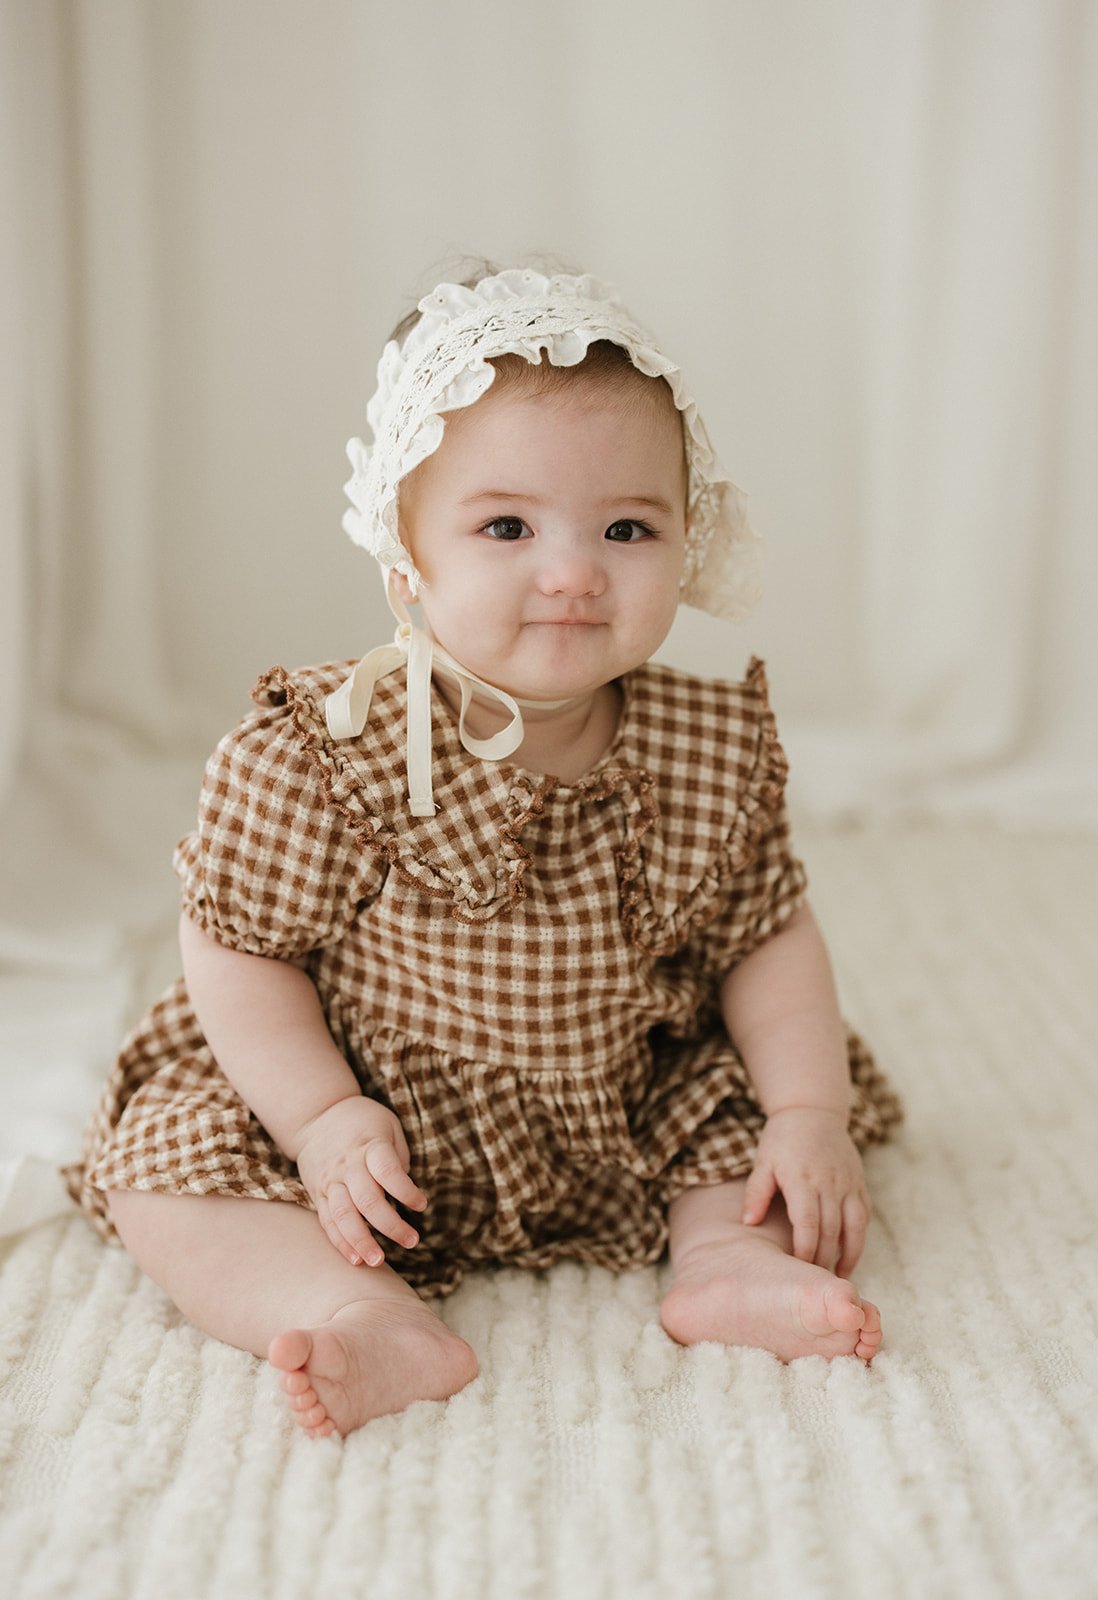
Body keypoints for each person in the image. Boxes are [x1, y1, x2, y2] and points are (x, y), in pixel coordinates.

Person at [65, 265, 902, 1440]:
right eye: (507, 525)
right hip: (370, 1124)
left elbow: (765, 935)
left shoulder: (704, 747)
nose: (572, 570)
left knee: (741, 1125)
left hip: (623, 1093)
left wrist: (806, 1109)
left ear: (686, 534)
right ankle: (353, 1305)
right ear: (406, 555)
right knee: (163, 1165)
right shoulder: (328, 753)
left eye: (627, 526)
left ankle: (723, 1259)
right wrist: (316, 1120)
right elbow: (236, 951)